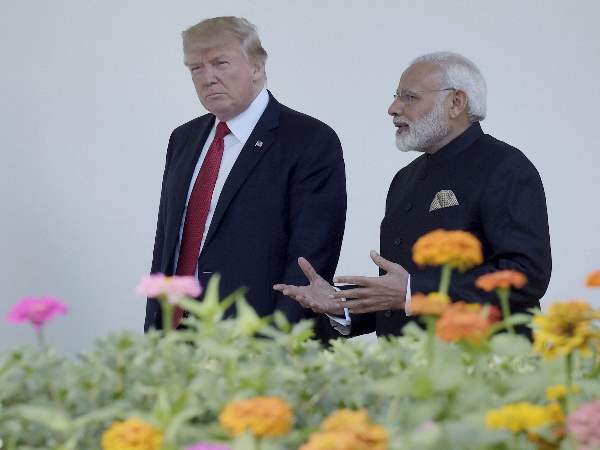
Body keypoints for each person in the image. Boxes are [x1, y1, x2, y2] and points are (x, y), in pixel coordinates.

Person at [274, 52, 551, 337]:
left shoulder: (504, 167)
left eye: (410, 97)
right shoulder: (405, 179)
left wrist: (415, 292)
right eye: (396, 96)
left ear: (456, 102)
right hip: (410, 362)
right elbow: (397, 297)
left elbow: (526, 276)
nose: (393, 108)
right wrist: (342, 305)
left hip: (481, 359)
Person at [144, 17, 346, 337]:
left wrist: (278, 344)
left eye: (220, 63)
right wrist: (156, 332)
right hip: (175, 333)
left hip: (256, 340)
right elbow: (168, 243)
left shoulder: (308, 140)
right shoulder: (183, 139)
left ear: (256, 66)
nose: (208, 78)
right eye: (196, 68)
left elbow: (309, 259)